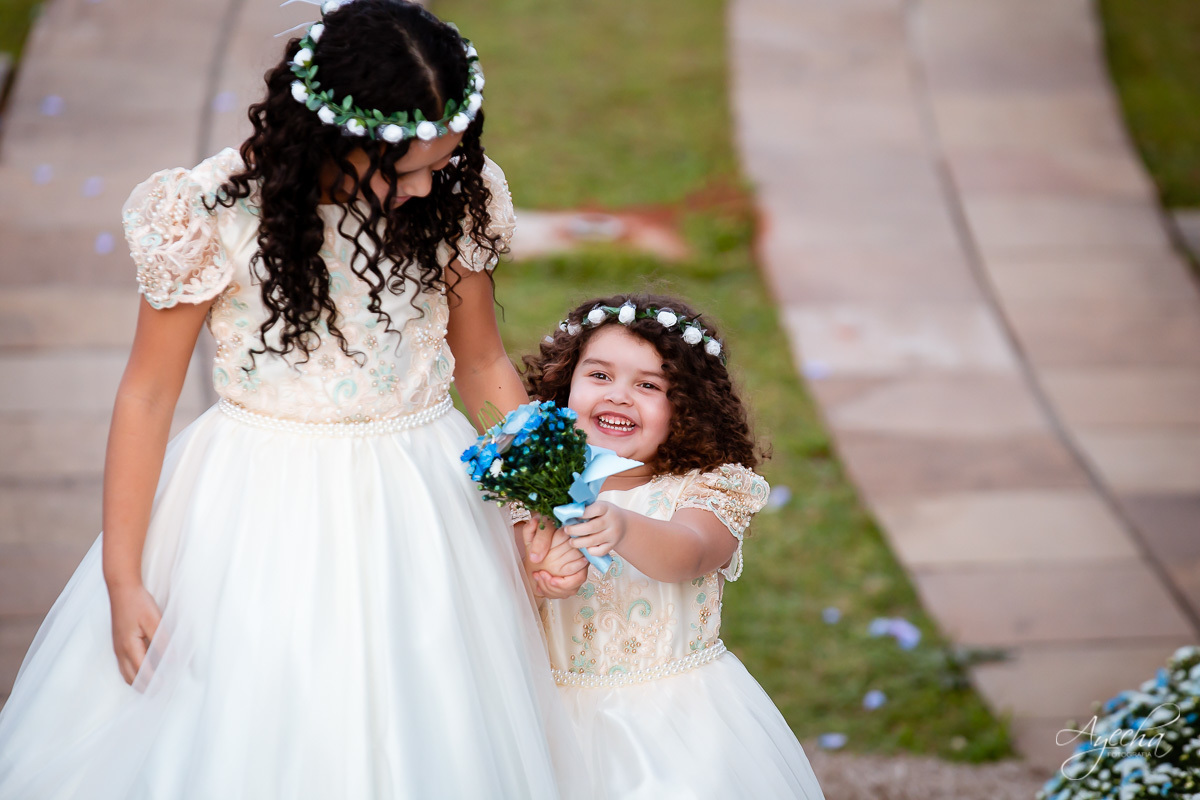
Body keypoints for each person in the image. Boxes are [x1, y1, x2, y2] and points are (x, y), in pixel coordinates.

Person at [0, 2, 582, 797]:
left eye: (441, 163)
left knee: (433, 713)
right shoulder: (212, 211)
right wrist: (122, 575)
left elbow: (480, 362)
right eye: (402, 169)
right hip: (261, 504)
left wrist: (537, 499)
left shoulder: (455, 197)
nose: (423, 187)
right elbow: (146, 395)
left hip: (423, 494)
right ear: (331, 139)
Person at [518, 294, 827, 799]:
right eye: (599, 376)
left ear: (686, 407)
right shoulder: (533, 493)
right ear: (564, 384)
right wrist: (539, 576)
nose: (619, 395)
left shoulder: (704, 489)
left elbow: (692, 552)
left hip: (678, 725)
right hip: (552, 720)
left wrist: (623, 527)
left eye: (647, 385)